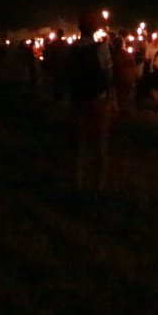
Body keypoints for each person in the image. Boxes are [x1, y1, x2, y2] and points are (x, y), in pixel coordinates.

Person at [66, 12, 115, 191]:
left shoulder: (71, 50)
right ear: (94, 29)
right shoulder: (101, 48)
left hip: (78, 99)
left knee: (80, 143)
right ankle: (99, 185)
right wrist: (111, 98)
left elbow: (68, 75)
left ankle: (77, 183)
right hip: (98, 99)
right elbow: (109, 75)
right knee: (100, 142)